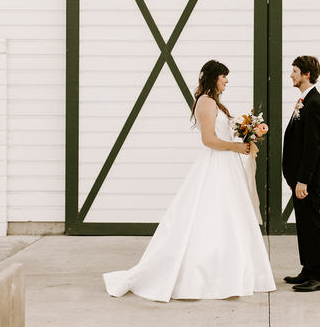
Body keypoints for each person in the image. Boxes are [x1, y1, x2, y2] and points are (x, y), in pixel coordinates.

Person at [103, 60, 276, 302]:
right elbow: (208, 140)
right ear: (213, 77)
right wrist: (236, 146)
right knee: (210, 217)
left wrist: (248, 132)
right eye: (224, 77)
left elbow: (223, 132)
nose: (226, 81)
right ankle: (206, 276)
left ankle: (231, 272)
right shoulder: (205, 102)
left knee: (231, 217)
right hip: (216, 164)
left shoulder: (216, 103)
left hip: (227, 166)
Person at [282, 56, 320, 292]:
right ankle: (308, 270)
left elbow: (313, 147)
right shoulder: (305, 100)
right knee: (303, 223)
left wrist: (303, 179)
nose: (291, 75)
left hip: (308, 179)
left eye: (294, 71)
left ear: (306, 75)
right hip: (299, 178)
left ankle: (319, 275)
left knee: (311, 223)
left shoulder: (315, 103)